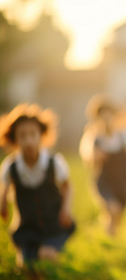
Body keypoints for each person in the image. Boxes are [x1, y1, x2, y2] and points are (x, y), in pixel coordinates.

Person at [0, 103, 75, 267]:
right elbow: (4, 189)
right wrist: (3, 204)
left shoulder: (54, 162)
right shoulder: (10, 167)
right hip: (27, 227)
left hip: (53, 225)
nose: (28, 141)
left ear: (42, 135)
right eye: (22, 136)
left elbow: (67, 187)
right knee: (27, 266)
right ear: (14, 139)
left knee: (46, 256)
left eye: (33, 135)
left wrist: (66, 209)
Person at [79, 94, 126, 236]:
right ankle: (110, 236)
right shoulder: (95, 137)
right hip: (104, 181)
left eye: (109, 115)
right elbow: (89, 157)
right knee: (113, 208)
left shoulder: (123, 135)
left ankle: (112, 232)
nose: (107, 119)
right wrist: (96, 155)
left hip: (121, 181)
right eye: (102, 116)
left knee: (119, 210)